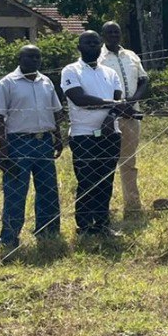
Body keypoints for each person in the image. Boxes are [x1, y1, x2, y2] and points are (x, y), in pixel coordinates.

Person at [0, 43, 63, 250]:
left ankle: (48, 232)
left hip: (44, 142)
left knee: (48, 190)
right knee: (16, 192)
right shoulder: (7, 83)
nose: (35, 61)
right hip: (18, 143)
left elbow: (56, 110)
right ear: (20, 60)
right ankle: (9, 238)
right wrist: (3, 147)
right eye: (30, 57)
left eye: (38, 57)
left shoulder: (45, 81)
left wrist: (58, 136)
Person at [61, 31, 128, 238]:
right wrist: (114, 106)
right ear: (79, 47)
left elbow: (118, 100)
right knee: (86, 180)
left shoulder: (110, 73)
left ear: (101, 46)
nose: (92, 46)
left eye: (95, 43)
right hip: (83, 135)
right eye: (87, 43)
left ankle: (102, 224)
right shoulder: (71, 70)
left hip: (110, 134)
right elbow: (79, 99)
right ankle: (84, 226)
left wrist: (110, 115)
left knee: (106, 181)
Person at [98, 21, 149, 218]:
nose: (113, 35)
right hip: (107, 118)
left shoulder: (131, 56)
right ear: (103, 35)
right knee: (105, 162)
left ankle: (132, 204)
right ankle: (104, 208)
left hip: (132, 115)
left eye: (116, 32)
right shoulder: (99, 58)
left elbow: (144, 79)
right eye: (109, 32)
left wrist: (132, 101)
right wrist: (117, 106)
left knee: (129, 162)